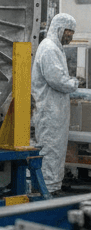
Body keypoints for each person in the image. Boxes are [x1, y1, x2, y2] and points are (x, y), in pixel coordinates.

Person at [33, 13, 80, 196]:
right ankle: (46, 189)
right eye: (69, 32)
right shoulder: (49, 48)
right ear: (59, 28)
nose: (71, 37)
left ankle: (52, 186)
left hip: (56, 111)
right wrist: (73, 83)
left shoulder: (56, 48)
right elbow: (57, 79)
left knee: (57, 150)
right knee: (50, 149)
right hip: (48, 111)